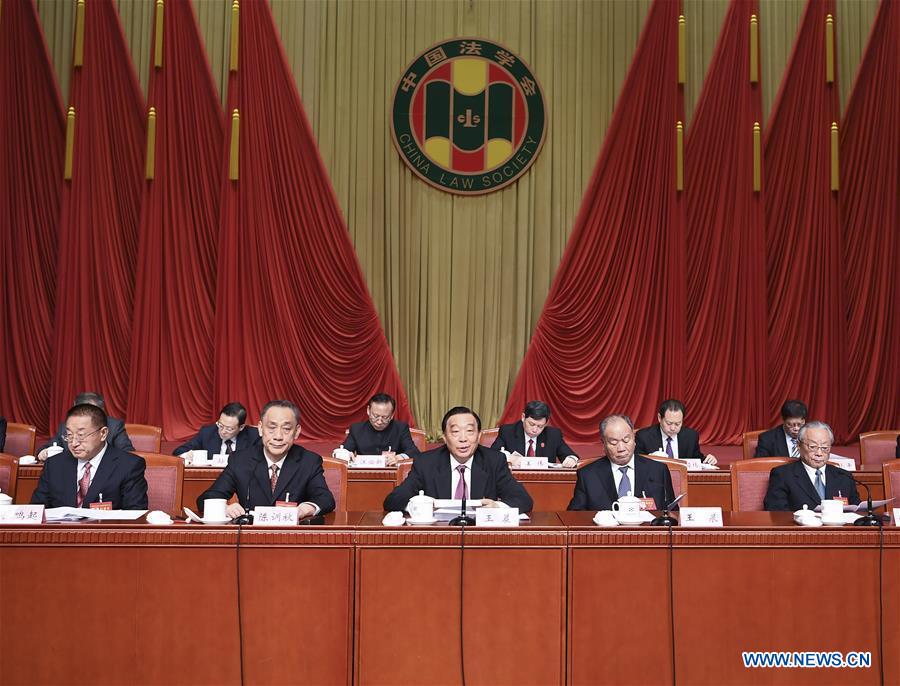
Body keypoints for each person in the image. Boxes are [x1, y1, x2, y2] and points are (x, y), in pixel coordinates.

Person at [197, 400, 334, 519]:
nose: (278, 436)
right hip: (250, 539)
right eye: (271, 428)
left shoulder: (308, 461)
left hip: (292, 539)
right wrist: (224, 507)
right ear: (261, 428)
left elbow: (325, 499)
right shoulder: (240, 460)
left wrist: (305, 509)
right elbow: (205, 499)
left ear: (297, 432)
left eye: (286, 429)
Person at [383, 406, 533, 512]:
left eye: (469, 431)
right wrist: (418, 506)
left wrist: (497, 507)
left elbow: (523, 500)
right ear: (445, 437)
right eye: (455, 432)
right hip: (439, 540)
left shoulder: (494, 461)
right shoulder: (426, 463)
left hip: (479, 539)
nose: (463, 439)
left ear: (479, 436)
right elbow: (392, 500)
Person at [31, 403, 148, 509]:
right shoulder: (54, 464)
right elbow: (37, 510)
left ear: (103, 433)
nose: (74, 443)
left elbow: (135, 515)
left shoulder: (128, 466)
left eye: (81, 435)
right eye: (69, 435)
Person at [568, 414, 675, 511]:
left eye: (626, 440)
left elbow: (673, 512)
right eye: (613, 442)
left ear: (634, 438)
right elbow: (574, 516)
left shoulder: (658, 470)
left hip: (647, 531)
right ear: (603, 444)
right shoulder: (588, 475)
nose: (621, 448)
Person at [763, 421, 859, 511]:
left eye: (825, 448)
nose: (819, 453)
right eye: (813, 447)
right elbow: (776, 513)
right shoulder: (783, 475)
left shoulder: (844, 477)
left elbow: (857, 512)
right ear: (799, 446)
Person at [38, 392, 134, 461]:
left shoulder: (114, 426)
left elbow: (127, 454)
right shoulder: (66, 427)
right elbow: (48, 447)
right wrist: (43, 453)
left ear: (102, 411)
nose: (75, 443)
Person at [490, 400, 579, 467]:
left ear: (546, 423)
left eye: (540, 426)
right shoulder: (508, 431)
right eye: (531, 424)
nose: (535, 430)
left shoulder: (553, 435)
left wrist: (571, 459)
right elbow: (492, 455)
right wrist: (509, 458)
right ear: (523, 417)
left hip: (543, 484)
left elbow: (570, 455)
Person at [339, 393, 419, 466]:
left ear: (391, 415)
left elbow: (414, 451)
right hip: (364, 474)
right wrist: (346, 455)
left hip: (392, 474)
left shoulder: (400, 428)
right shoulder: (356, 429)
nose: (379, 422)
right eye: (375, 416)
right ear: (368, 411)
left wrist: (398, 458)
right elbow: (342, 450)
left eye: (385, 417)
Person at [634, 399, 717, 465]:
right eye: (669, 423)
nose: (673, 428)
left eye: (678, 424)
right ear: (659, 418)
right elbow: (636, 461)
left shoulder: (691, 436)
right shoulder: (644, 436)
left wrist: (707, 460)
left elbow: (696, 459)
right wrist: (651, 458)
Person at [173, 402, 259, 458]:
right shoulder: (207, 432)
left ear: (241, 427)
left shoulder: (253, 436)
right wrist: (187, 455)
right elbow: (178, 451)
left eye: (229, 428)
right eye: (220, 425)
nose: (223, 431)